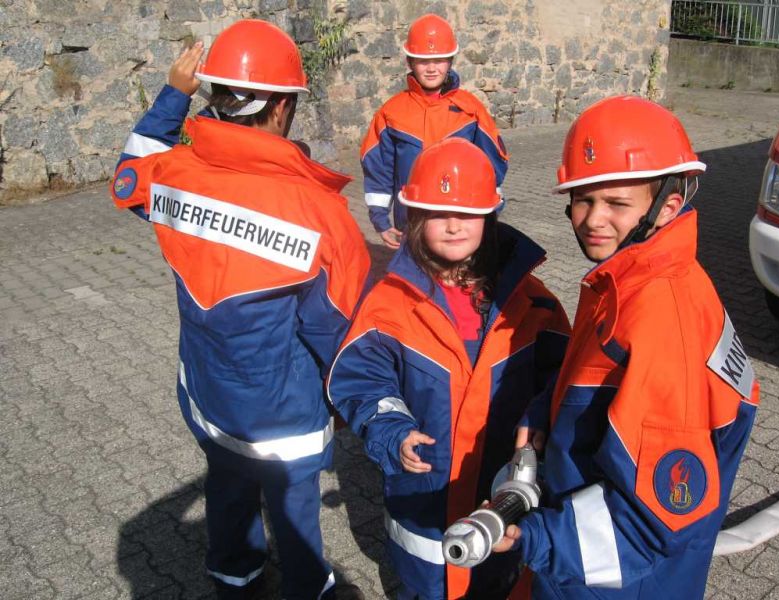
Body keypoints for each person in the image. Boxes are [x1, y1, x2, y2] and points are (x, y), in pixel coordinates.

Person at [109, 20, 370, 600]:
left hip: (207, 395)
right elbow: (337, 331)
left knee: (227, 484)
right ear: (280, 109)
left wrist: (173, 95)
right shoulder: (316, 213)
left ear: (217, 99)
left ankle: (235, 574)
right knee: (295, 514)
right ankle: (307, 586)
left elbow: (128, 178)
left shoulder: (174, 174)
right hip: (284, 415)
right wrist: (360, 403)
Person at [494, 96, 760, 599]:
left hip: (618, 583)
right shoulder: (631, 279)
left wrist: (533, 538)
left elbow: (650, 527)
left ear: (668, 205)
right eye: (582, 198)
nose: (593, 219)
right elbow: (598, 386)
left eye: (617, 203)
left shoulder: (661, 315)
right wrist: (543, 410)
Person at [327, 137, 571, 599]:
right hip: (425, 501)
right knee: (426, 585)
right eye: (438, 214)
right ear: (414, 218)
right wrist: (390, 428)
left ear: (490, 217)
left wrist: (539, 420)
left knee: (498, 581)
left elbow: (563, 375)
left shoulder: (529, 299)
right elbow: (360, 378)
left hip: (498, 496)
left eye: (469, 212)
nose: (454, 225)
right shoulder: (390, 303)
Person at [361, 13, 509, 249]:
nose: (431, 68)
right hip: (411, 226)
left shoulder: (471, 110)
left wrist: (491, 215)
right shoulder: (391, 113)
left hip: (459, 225)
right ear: (410, 62)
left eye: (439, 60)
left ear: (450, 60)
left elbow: (491, 169)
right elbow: (379, 171)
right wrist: (380, 221)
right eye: (423, 60)